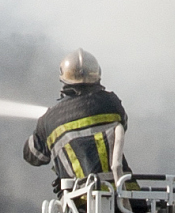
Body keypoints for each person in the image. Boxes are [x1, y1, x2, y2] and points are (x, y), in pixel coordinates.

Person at [22, 48, 132, 181]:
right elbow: (123, 125)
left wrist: (42, 129)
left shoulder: (49, 119)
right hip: (124, 192)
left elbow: (34, 156)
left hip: (79, 199)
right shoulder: (111, 102)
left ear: (64, 80)